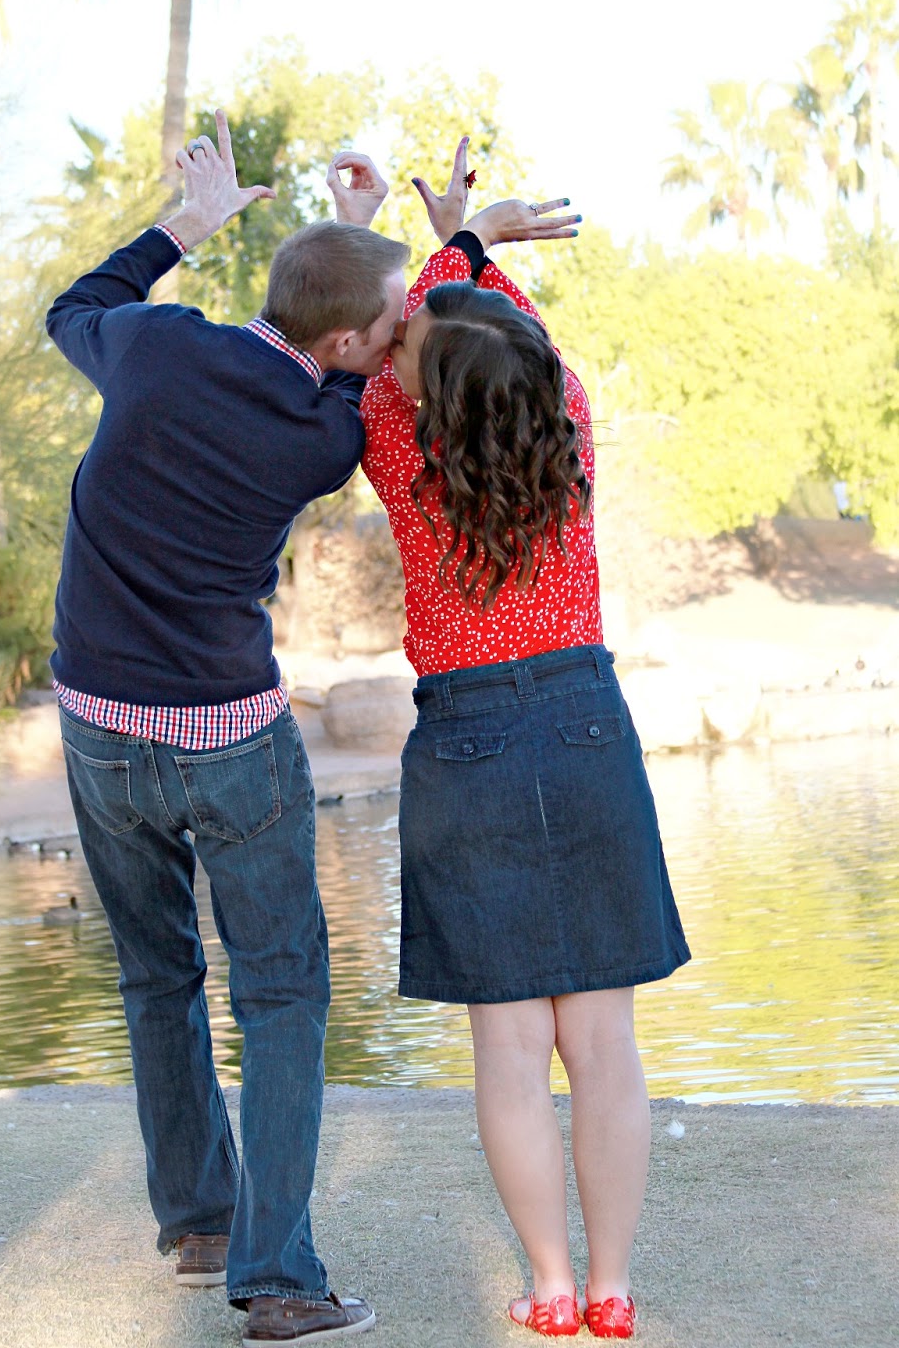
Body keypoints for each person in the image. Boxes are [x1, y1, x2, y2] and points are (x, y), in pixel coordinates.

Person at [46, 111, 404, 1344]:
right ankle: (280, 1280)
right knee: (285, 991)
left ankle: (199, 1222)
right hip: (230, 739)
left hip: (97, 730)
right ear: (353, 340)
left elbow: (72, 306)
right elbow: (349, 352)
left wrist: (181, 228)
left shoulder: (151, 349)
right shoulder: (325, 437)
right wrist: (363, 239)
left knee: (158, 975)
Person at [329, 142, 690, 1340]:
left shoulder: (399, 445)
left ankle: (542, 1281)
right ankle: (611, 1284)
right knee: (602, 1042)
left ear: (425, 394)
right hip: (583, 725)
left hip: (466, 740)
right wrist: (467, 239)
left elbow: (404, 333)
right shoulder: (568, 420)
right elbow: (488, 328)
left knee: (508, 1052)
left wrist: (432, 233)